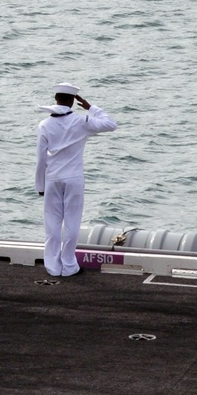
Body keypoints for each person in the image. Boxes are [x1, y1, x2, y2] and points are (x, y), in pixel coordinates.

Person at [36, 83, 117, 277]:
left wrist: (40, 185)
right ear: (73, 101)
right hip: (73, 178)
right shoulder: (82, 121)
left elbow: (41, 158)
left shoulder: (44, 125)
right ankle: (69, 265)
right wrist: (91, 107)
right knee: (72, 222)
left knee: (52, 223)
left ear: (56, 98)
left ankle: (53, 267)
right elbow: (111, 124)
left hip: (52, 178)